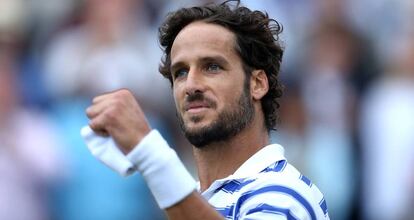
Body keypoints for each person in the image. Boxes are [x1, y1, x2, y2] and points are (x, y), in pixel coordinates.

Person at [82, 1, 330, 219]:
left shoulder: (285, 195)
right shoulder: (195, 204)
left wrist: (149, 153)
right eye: (180, 72)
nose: (190, 85)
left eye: (212, 66)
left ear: (257, 83)